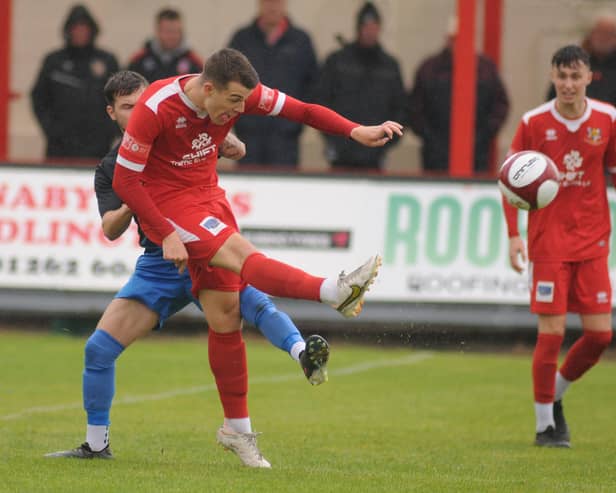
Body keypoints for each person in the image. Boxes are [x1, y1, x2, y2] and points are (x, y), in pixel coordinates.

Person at [111, 47, 400, 466]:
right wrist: (166, 233)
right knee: (238, 252)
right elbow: (125, 180)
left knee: (227, 314)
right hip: (172, 204)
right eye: (232, 102)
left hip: (210, 197)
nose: (239, 110)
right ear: (207, 88)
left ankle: (237, 431)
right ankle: (331, 291)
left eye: (244, 102)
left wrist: (354, 130)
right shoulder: (156, 106)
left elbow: (301, 111)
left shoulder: (237, 93)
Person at [44, 71, 330, 467]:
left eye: (144, 101)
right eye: (128, 107)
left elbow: (235, 143)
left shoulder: (181, 127)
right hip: (159, 266)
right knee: (98, 350)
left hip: (202, 252)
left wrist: (229, 142)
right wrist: (133, 197)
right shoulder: (113, 167)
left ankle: (302, 352)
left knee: (253, 304)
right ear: (112, 113)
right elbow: (110, 228)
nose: (140, 111)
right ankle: (96, 445)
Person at [502, 45, 615, 448]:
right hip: (548, 242)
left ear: (588, 78)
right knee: (550, 334)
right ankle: (544, 427)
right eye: (561, 76)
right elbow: (509, 180)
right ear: (552, 77)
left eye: (575, 76)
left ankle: (557, 395)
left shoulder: (608, 119)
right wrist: (514, 235)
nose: (567, 84)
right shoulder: (533, 123)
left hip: (593, 241)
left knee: (601, 335)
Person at [407, 17, 509, 173]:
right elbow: (415, 107)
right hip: (435, 156)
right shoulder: (429, 69)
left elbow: (500, 105)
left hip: (477, 154)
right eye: (454, 39)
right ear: (447, 39)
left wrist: (482, 136)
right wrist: (430, 137)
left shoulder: (485, 69)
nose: (458, 44)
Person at [314, 2, 405, 171]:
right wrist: (334, 141)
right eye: (366, 26)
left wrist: (385, 144)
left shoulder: (389, 66)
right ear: (358, 28)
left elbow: (400, 110)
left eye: (374, 27)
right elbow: (321, 101)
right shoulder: (337, 62)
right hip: (341, 152)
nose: (370, 31)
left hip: (375, 153)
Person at [228, 0, 318, 167]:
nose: (272, 7)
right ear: (259, 4)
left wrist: (297, 122)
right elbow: (228, 80)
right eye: (268, 2)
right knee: (249, 187)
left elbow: (312, 84)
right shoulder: (242, 39)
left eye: (277, 2)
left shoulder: (301, 41)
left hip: (286, 136)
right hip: (248, 134)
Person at [31, 4, 120, 160]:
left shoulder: (107, 61)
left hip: (98, 147)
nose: (80, 33)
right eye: (76, 28)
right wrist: (51, 129)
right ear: (68, 31)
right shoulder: (54, 61)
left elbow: (121, 99)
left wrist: (110, 131)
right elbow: (38, 97)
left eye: (84, 28)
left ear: (92, 30)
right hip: (59, 146)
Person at [547, 13, 616, 106]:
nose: (603, 38)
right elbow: (553, 96)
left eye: (609, 33)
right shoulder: (573, 63)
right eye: (599, 32)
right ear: (591, 34)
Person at [127, 8, 203, 83]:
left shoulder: (194, 61)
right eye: (168, 31)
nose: (172, 36)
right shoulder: (139, 60)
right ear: (157, 31)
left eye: (176, 31)